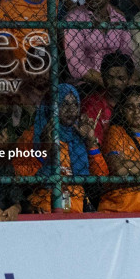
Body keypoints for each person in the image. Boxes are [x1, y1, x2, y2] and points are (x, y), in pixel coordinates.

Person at [18, 83, 107, 213]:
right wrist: (45, 149)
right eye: (64, 104)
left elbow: (102, 175)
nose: (71, 110)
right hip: (45, 208)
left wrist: (91, 142)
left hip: (77, 209)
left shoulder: (79, 135)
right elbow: (22, 174)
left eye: (75, 104)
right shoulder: (33, 135)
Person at [64, 0, 133, 85]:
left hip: (116, 80)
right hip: (85, 82)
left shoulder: (119, 18)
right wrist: (103, 80)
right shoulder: (74, 19)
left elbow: (127, 53)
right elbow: (75, 64)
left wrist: (120, 79)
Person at [80, 51, 136, 145]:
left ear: (129, 79)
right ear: (103, 77)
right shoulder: (92, 104)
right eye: (110, 77)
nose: (115, 83)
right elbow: (94, 142)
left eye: (121, 78)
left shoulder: (136, 102)